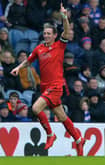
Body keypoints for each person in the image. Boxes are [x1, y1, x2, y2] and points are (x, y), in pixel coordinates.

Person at [10, 3, 85, 156]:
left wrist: (64, 17)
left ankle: (50, 135)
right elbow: (28, 61)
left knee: (36, 108)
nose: (46, 36)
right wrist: (19, 67)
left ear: (54, 35)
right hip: (45, 87)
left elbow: (67, 30)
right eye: (44, 33)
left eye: (49, 34)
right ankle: (78, 139)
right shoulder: (39, 48)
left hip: (56, 86)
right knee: (62, 116)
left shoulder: (60, 46)